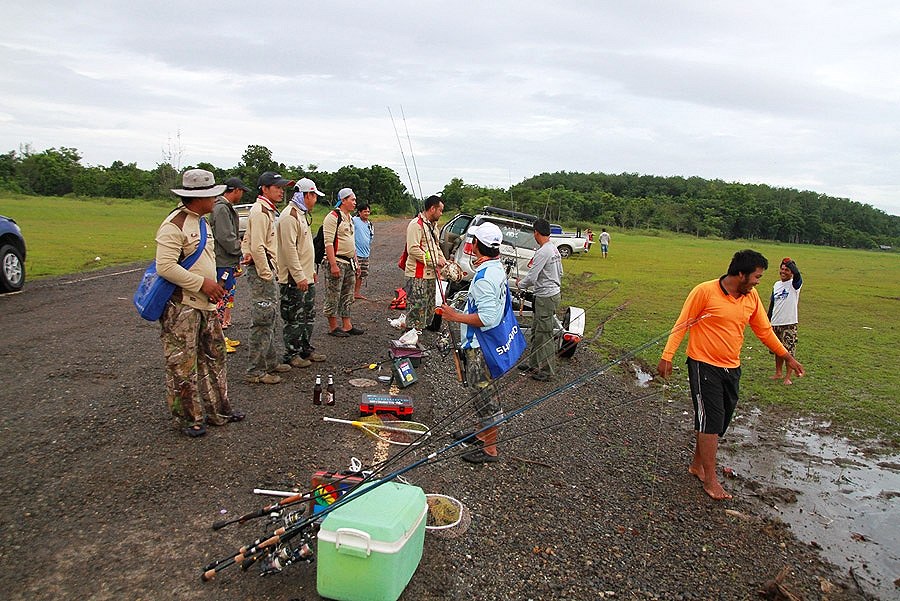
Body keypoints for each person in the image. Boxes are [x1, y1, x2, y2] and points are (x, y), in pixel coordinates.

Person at [656, 249, 805, 500]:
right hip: (703, 365)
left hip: (732, 367)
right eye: (756, 277)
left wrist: (788, 356)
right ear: (740, 274)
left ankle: (696, 465)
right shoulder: (704, 291)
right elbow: (683, 323)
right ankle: (710, 480)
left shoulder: (751, 297)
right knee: (711, 421)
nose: (759, 281)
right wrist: (667, 356)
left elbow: (764, 331)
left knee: (719, 422)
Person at [155, 169, 244, 437]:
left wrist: (216, 281)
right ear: (197, 198)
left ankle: (219, 410)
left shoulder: (202, 222)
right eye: (211, 195)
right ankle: (189, 418)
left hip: (206, 304)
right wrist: (202, 283)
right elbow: (165, 267)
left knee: (214, 357)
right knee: (183, 364)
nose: (215, 199)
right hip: (182, 306)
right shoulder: (174, 225)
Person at [439, 222, 510, 464]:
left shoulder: (485, 279)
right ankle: (480, 434)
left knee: (485, 397)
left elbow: (488, 318)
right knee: (478, 394)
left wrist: (454, 316)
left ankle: (490, 449)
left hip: (481, 346)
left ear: (477, 245)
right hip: (486, 343)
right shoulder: (495, 268)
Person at [241, 171, 294, 384]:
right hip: (262, 272)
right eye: (277, 187)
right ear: (264, 188)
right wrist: (266, 274)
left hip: (266, 270)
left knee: (270, 318)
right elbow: (257, 246)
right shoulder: (261, 211)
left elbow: (247, 239)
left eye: (282, 187)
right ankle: (255, 370)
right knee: (262, 320)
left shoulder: (267, 210)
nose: (281, 191)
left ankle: (270, 362)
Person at [276, 177, 328, 369]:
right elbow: (289, 250)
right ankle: (291, 353)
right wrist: (299, 276)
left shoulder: (300, 214)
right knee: (294, 318)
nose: (315, 200)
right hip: (293, 279)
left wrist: (309, 272)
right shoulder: (289, 215)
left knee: (308, 315)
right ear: (306, 195)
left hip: (305, 276)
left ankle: (305, 348)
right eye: (314, 196)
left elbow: (304, 247)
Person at [515, 218, 563, 382]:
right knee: (537, 330)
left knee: (545, 334)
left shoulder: (543, 251)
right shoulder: (553, 249)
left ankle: (548, 371)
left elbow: (532, 277)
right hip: (550, 294)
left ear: (536, 232)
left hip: (546, 297)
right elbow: (560, 272)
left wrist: (519, 284)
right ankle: (533, 364)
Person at [209, 176, 251, 351]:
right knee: (219, 300)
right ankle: (217, 340)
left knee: (225, 299)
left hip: (227, 261)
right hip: (221, 262)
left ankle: (221, 337)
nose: (241, 195)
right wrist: (240, 250)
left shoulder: (225, 208)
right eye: (241, 191)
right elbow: (226, 237)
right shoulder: (221, 209)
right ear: (235, 190)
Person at [323, 188, 364, 337]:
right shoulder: (333, 217)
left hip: (349, 262)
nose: (355, 203)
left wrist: (356, 263)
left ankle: (347, 325)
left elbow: (351, 242)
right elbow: (328, 243)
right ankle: (333, 327)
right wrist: (333, 265)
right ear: (344, 200)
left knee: (347, 295)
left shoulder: (349, 218)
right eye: (352, 200)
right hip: (337, 261)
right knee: (333, 294)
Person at [404, 195, 446, 331]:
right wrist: (433, 261)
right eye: (440, 210)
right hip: (417, 274)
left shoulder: (434, 227)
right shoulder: (416, 225)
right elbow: (413, 249)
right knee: (416, 308)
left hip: (430, 275)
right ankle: (410, 339)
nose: (441, 213)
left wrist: (442, 259)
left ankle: (417, 335)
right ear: (432, 209)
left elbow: (436, 246)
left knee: (427, 308)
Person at [768, 257, 803, 385]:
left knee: (789, 350)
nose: (783, 271)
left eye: (787, 270)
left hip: (789, 323)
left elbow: (798, 274)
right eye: (782, 269)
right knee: (778, 350)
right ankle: (778, 372)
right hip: (775, 322)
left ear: (791, 272)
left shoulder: (795, 284)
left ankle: (788, 377)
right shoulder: (776, 285)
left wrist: (788, 262)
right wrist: (768, 319)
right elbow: (772, 303)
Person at [352, 202, 374, 300]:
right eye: (365, 211)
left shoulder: (370, 224)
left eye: (368, 211)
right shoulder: (354, 220)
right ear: (359, 212)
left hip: (366, 253)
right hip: (356, 253)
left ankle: (356, 293)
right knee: (353, 273)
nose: (367, 213)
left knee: (361, 274)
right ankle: (349, 293)